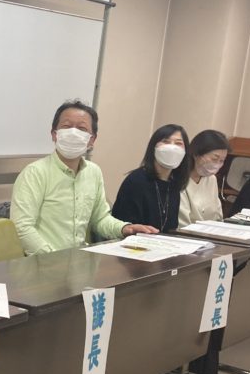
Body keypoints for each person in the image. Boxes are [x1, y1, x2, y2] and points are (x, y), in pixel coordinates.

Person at [11, 99, 158, 256]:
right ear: (54, 134)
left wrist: (125, 228)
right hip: (43, 262)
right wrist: (53, 259)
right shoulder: (35, 173)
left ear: (91, 140)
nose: (73, 132)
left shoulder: (94, 172)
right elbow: (22, 227)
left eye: (81, 128)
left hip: (79, 262)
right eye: (66, 126)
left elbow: (100, 219)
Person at [112, 124, 191, 233]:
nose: (172, 147)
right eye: (166, 141)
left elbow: (171, 228)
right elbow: (124, 226)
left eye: (178, 143)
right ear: (153, 147)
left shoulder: (173, 184)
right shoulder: (136, 181)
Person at [179, 129, 230, 226]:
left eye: (222, 160)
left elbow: (217, 216)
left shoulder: (211, 179)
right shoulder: (179, 179)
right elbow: (182, 223)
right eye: (214, 159)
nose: (217, 164)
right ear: (196, 154)